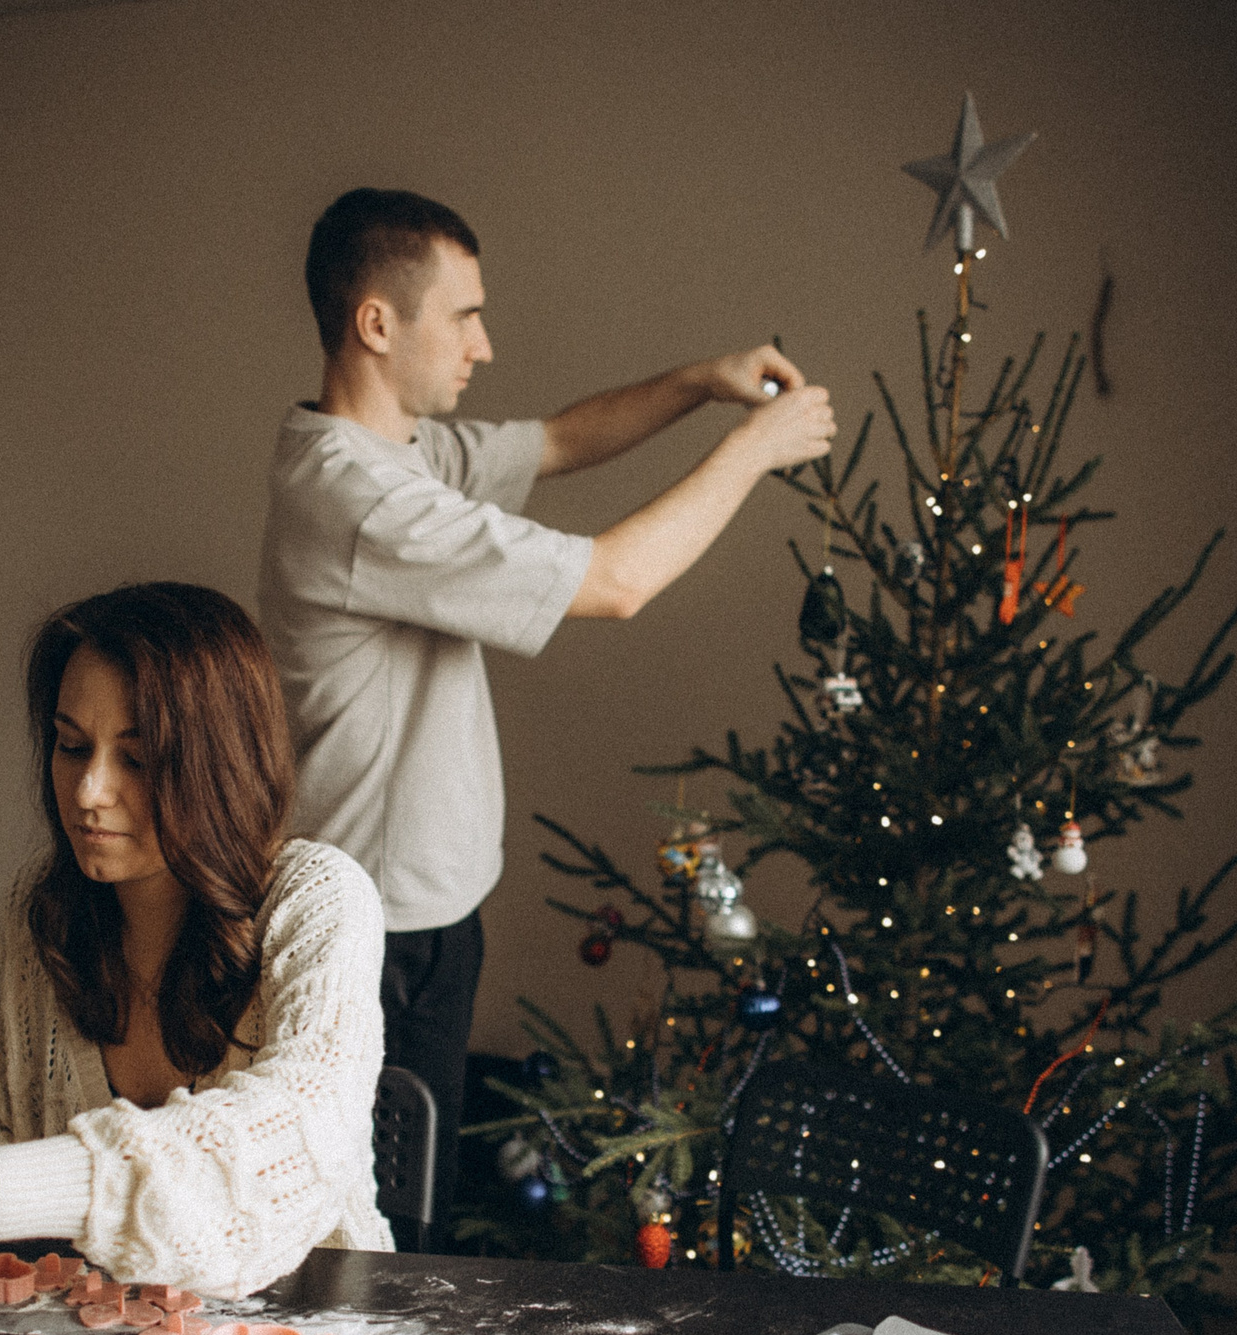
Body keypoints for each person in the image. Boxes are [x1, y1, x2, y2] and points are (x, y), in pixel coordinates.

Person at [258, 187, 836, 1243]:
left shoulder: (408, 453)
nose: (483, 343)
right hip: (376, 925)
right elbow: (617, 582)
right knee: (371, 1228)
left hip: (428, 903)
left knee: (407, 1205)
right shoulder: (355, 496)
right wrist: (754, 448)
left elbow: (561, 440)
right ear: (377, 323)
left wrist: (699, 386)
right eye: (463, 314)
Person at [0, 583, 390, 1332]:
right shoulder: (41, 911)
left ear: (221, 762)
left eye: (136, 757)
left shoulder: (320, 899)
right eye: (71, 745)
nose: (90, 791)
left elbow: (285, 1143)